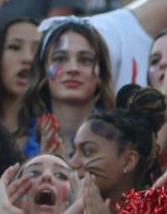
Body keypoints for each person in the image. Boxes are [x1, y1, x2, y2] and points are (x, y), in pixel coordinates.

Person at [16, 20, 112, 158]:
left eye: (85, 60)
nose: (73, 69)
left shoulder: (118, 141)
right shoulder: (17, 144)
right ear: (43, 72)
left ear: (101, 73)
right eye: (60, 59)